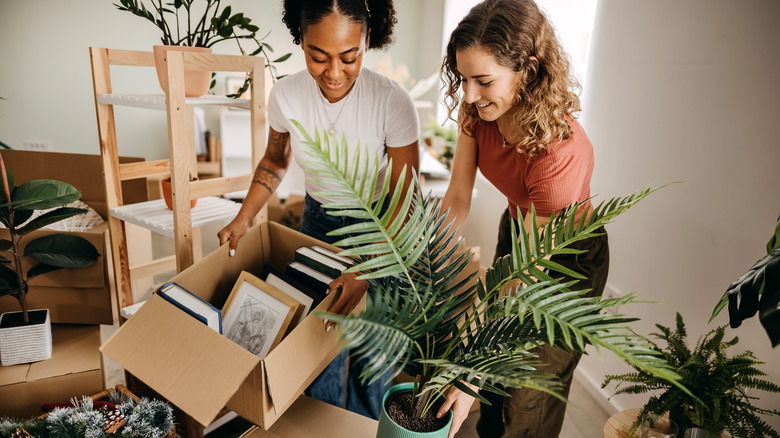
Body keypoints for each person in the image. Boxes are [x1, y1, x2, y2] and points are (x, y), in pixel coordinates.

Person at [217, 0, 420, 420]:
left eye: (350, 57)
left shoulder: (392, 102)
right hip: (318, 224)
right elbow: (275, 161)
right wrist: (243, 216)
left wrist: (367, 268)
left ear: (368, 40)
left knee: (371, 352)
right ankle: (321, 425)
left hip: (383, 232)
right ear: (300, 40)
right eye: (317, 56)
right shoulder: (288, 95)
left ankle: (365, 427)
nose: (333, 73)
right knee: (316, 343)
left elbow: (405, 199)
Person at [434, 0, 609, 437]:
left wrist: (471, 367)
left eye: (484, 81)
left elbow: (520, 279)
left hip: (567, 261)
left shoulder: (561, 153)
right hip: (518, 231)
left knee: (525, 393)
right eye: (464, 78)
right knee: (491, 389)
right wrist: (429, 257)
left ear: (528, 71)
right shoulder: (478, 114)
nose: (469, 96)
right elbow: (457, 196)